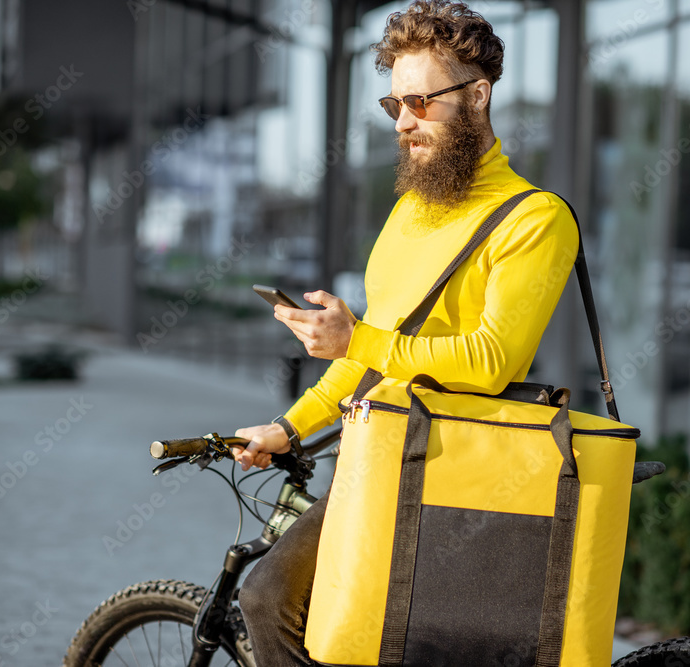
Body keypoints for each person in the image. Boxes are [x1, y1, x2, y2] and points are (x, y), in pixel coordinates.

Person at [230, 1, 579, 664]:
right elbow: (371, 350)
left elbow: (490, 360)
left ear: (476, 97)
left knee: (270, 597)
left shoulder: (534, 218)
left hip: (454, 483)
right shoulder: (409, 211)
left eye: (420, 102)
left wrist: (355, 338)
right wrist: (291, 426)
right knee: (302, 616)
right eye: (395, 106)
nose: (404, 123)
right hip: (375, 460)